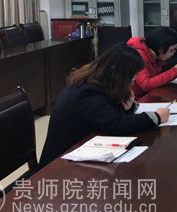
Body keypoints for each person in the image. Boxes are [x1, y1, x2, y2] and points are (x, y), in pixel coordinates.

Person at [39, 44, 170, 167]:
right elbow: (117, 124)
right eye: (132, 76)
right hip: (59, 164)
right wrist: (156, 117)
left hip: (83, 151)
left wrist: (128, 107)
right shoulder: (87, 92)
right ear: (120, 75)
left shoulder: (97, 82)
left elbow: (107, 117)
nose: (133, 81)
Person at [127, 27, 177, 98]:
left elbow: (158, 80)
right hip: (136, 99)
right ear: (161, 49)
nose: (173, 53)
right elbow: (146, 84)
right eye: (171, 50)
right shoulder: (139, 55)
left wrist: (176, 72)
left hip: (147, 96)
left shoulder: (156, 57)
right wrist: (174, 71)